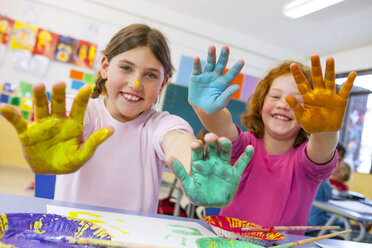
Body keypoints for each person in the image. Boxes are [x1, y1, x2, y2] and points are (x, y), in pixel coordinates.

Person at [0, 24, 253, 213]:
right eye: (126, 67)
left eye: (150, 75)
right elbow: (69, 120)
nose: (135, 83)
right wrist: (57, 135)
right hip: (70, 235)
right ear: (105, 67)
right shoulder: (82, 108)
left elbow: (177, 142)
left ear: (164, 82)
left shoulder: (162, 123)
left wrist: (194, 171)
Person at [187, 45, 356, 234]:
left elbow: (322, 147)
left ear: (311, 113)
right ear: (261, 104)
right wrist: (208, 111)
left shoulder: (305, 161)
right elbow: (221, 125)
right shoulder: (245, 146)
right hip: (228, 242)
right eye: (276, 96)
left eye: (296, 101)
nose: (284, 104)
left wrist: (325, 130)